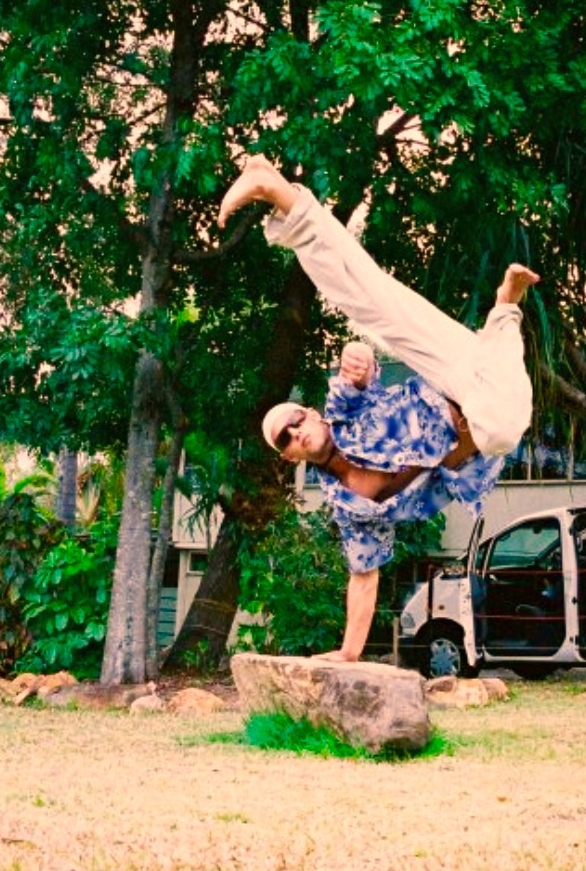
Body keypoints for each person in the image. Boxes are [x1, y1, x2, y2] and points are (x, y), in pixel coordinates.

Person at [219, 154, 539, 663]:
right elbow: (364, 577)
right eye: (284, 438)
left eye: (295, 419)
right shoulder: (351, 509)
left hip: (444, 373)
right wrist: (348, 655)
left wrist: (359, 360)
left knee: (366, 296)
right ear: (288, 457)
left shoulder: (341, 411)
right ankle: (504, 311)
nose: (295, 431)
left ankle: (277, 191)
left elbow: (359, 368)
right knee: (503, 429)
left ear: (313, 414)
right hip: (484, 415)